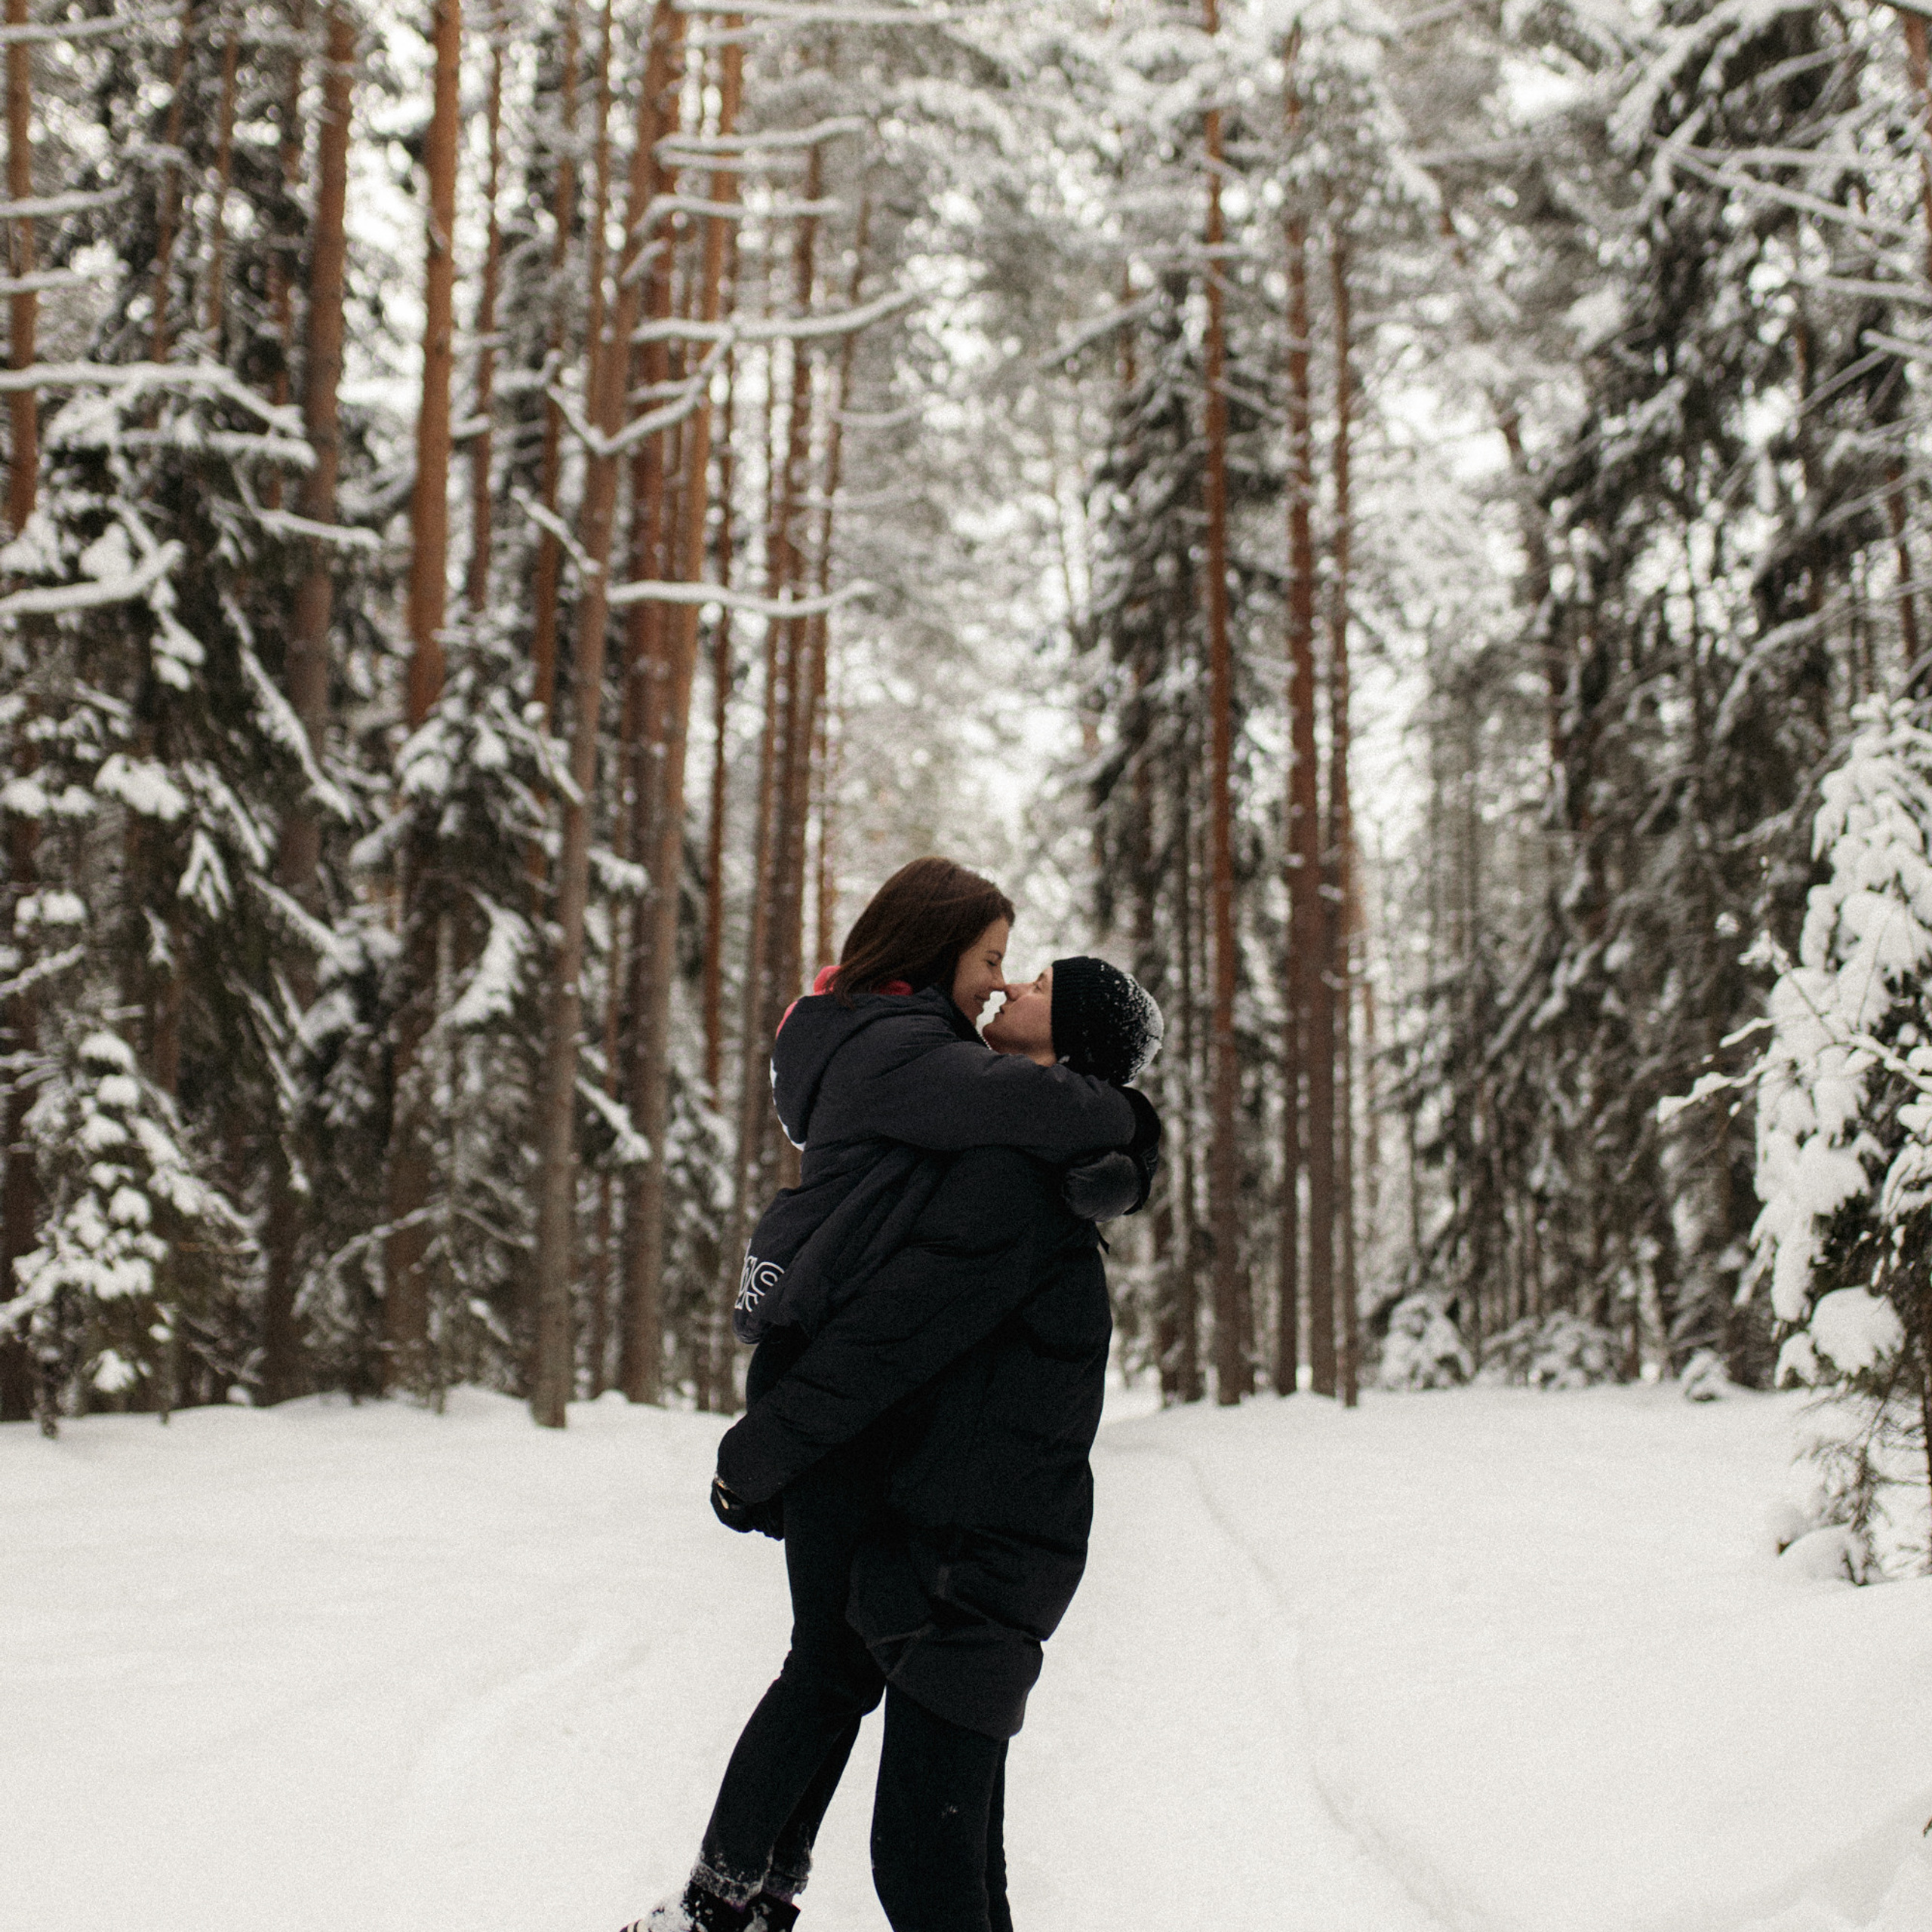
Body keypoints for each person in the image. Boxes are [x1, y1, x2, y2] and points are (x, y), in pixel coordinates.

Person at [629, 863, 1155, 1932]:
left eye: (1021, 973)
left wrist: (1124, 1145)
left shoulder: (928, 1065)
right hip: (835, 1396)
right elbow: (903, 1319)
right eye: (994, 961)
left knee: (842, 1679)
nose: (1002, 986)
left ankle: (742, 1902)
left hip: (871, 1430)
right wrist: (1134, 1131)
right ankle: (722, 1906)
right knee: (832, 1672)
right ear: (933, 951)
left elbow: (932, 1316)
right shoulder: (903, 1051)